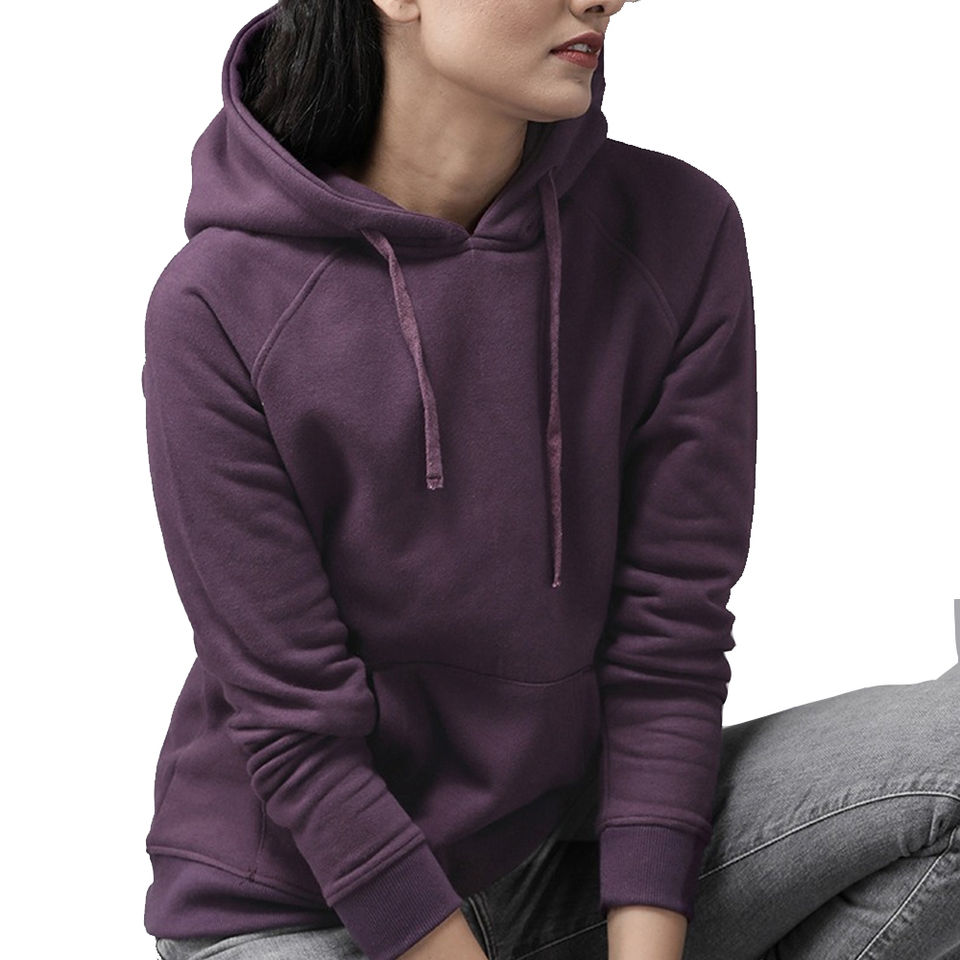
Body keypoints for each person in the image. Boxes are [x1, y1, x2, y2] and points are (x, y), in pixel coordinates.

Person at [141, 1, 960, 959]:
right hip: (308, 902)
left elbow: (670, 639)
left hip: (560, 853)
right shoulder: (217, 302)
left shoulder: (676, 231)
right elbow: (295, 723)